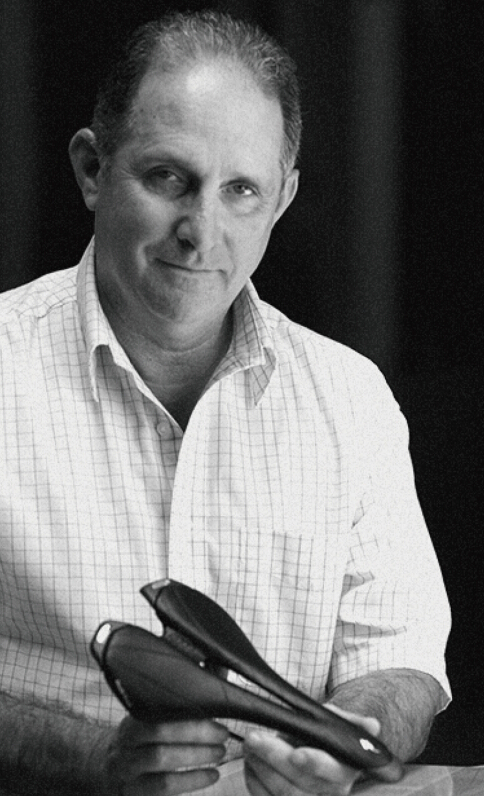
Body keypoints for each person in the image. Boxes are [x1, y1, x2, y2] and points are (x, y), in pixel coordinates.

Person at [0, 9, 451, 796]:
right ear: (93, 169)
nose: (200, 231)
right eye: (168, 177)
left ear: (282, 200)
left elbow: (401, 661)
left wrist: (345, 737)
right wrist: (91, 757)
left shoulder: (352, 398)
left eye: (242, 190)